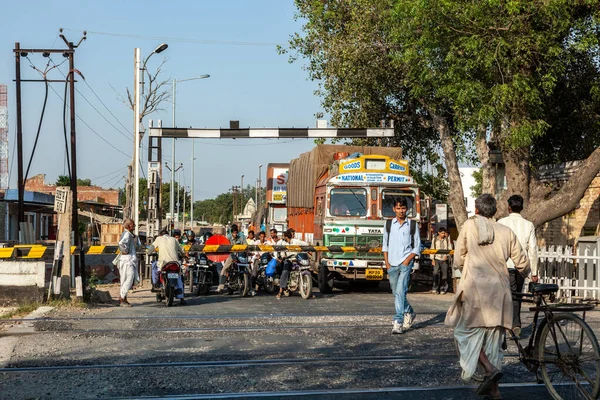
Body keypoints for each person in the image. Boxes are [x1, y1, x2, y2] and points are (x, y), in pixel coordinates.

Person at [446, 194, 529, 399]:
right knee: (493, 340)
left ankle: (489, 368)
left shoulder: (468, 227)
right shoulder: (505, 231)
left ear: (476, 210)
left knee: (463, 333)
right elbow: (523, 264)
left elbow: (458, 259)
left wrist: (470, 260)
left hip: (475, 291)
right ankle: (494, 391)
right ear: (494, 212)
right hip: (499, 292)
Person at [497, 194, 538, 337]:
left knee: (505, 295)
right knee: (517, 296)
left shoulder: (501, 222)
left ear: (509, 207)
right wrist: (534, 272)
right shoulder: (529, 225)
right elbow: (532, 249)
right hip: (521, 265)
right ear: (522, 208)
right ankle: (515, 324)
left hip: (504, 265)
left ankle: (506, 324)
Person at [382, 198, 421, 334]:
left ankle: (398, 321)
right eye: (398, 208)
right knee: (396, 292)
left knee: (400, 292)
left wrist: (407, 261)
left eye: (403, 208)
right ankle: (409, 312)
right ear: (394, 209)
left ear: (407, 209)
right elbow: (385, 245)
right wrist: (387, 263)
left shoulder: (412, 225)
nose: (401, 211)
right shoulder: (388, 224)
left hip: (405, 264)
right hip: (391, 264)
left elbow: (417, 246)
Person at [148, 229, 187, 305]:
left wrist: (148, 253)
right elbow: (182, 250)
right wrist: (183, 255)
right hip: (175, 263)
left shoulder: (159, 239)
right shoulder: (174, 239)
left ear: (160, 235)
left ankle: (156, 284)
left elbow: (151, 248)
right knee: (179, 277)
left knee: (154, 268)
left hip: (163, 263)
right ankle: (181, 298)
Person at [276, 229, 309, 299]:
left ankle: (307, 290)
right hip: (288, 260)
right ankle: (280, 291)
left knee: (305, 269)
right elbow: (282, 252)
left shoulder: (296, 241)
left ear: (286, 237)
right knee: (285, 272)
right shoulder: (283, 243)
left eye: (284, 236)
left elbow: (306, 244)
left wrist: (302, 249)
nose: (283, 238)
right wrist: (283, 256)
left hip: (297, 259)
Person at [216, 227, 250, 294]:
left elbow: (245, 245)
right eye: (233, 233)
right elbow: (224, 245)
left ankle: (250, 288)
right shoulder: (228, 237)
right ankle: (220, 287)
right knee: (224, 269)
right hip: (231, 255)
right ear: (231, 233)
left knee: (249, 270)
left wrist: (247, 250)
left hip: (240, 255)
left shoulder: (242, 236)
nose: (235, 234)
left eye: (236, 232)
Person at [117, 219, 139, 307]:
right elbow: (121, 243)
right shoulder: (127, 234)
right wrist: (125, 251)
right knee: (129, 278)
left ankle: (124, 299)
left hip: (127, 259)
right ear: (129, 226)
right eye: (133, 225)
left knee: (125, 280)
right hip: (127, 260)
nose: (135, 226)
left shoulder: (130, 235)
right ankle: (122, 298)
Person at [431, 227, 453, 294]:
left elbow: (449, 248)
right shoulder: (434, 239)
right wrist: (432, 259)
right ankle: (435, 288)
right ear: (439, 233)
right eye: (442, 233)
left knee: (444, 275)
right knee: (435, 273)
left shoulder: (447, 239)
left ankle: (442, 289)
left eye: (444, 233)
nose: (443, 234)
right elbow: (432, 249)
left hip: (444, 259)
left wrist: (447, 256)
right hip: (437, 258)